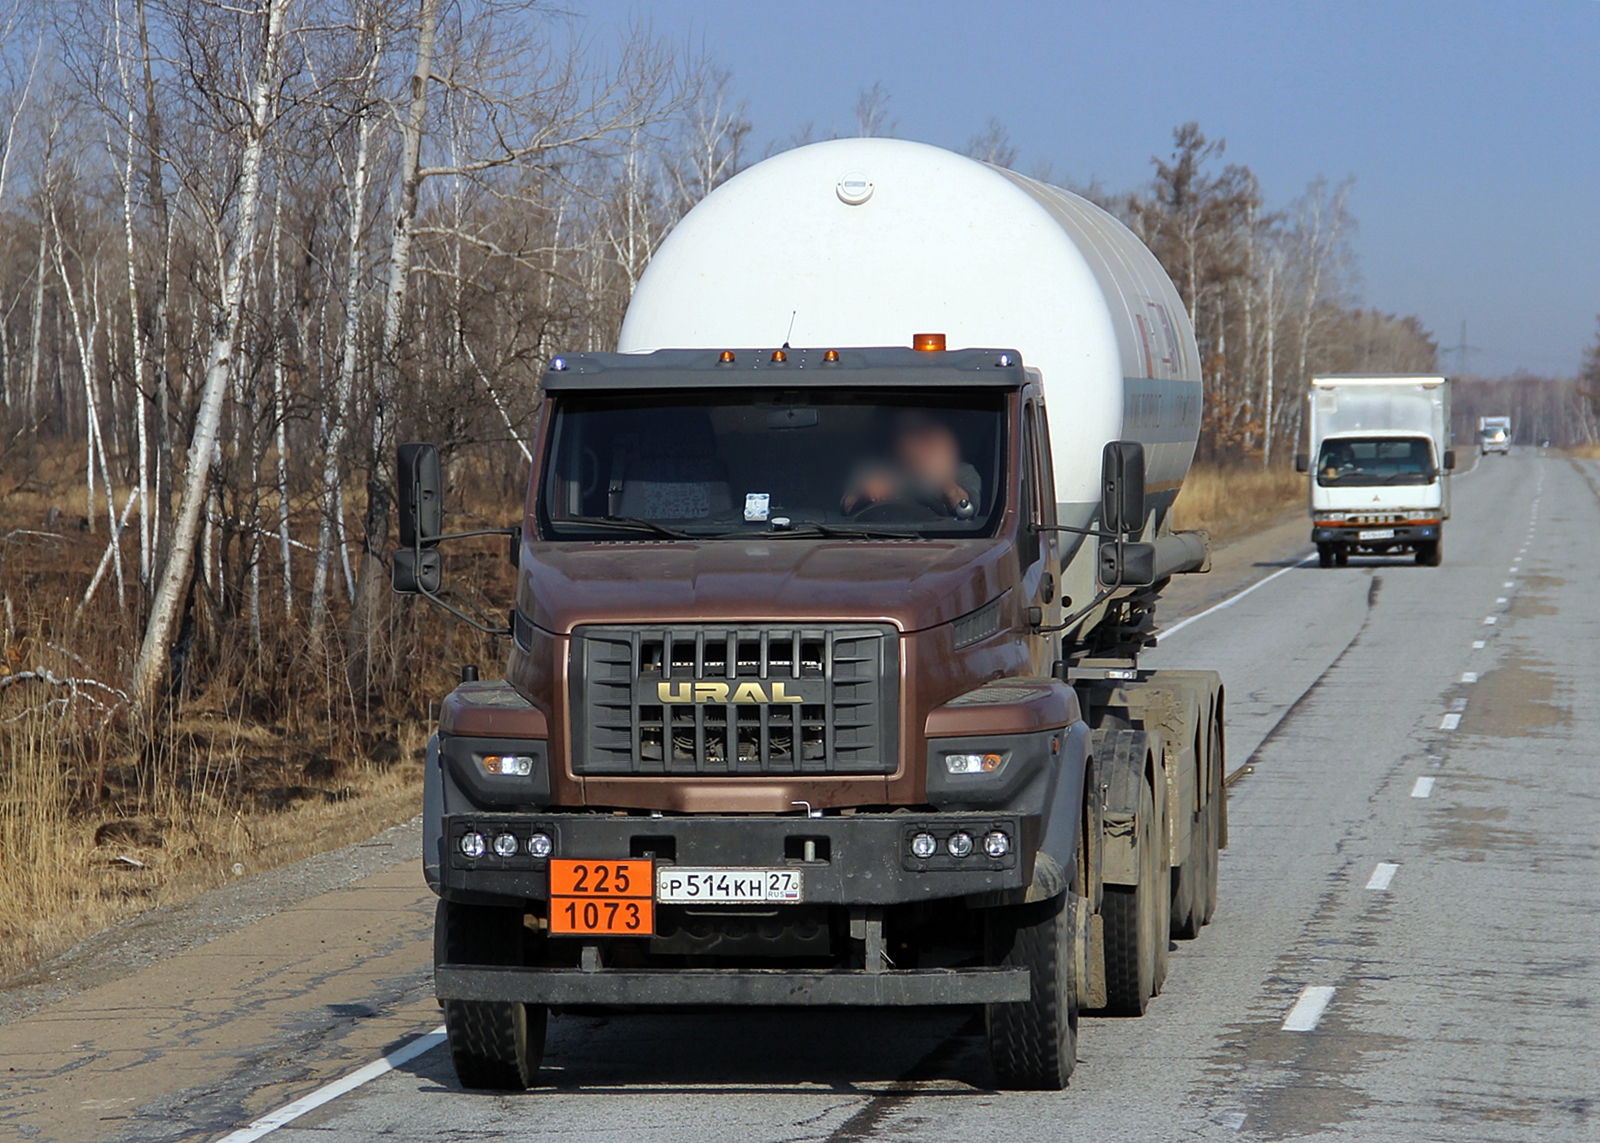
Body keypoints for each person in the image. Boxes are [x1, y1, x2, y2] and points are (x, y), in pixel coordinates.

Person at [842, 408, 981, 519]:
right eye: (904, 431)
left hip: (939, 543)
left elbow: (969, 509)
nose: (911, 440)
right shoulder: (874, 468)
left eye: (920, 431)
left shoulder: (962, 471)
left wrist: (945, 482)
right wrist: (866, 494)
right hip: (881, 541)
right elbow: (847, 505)